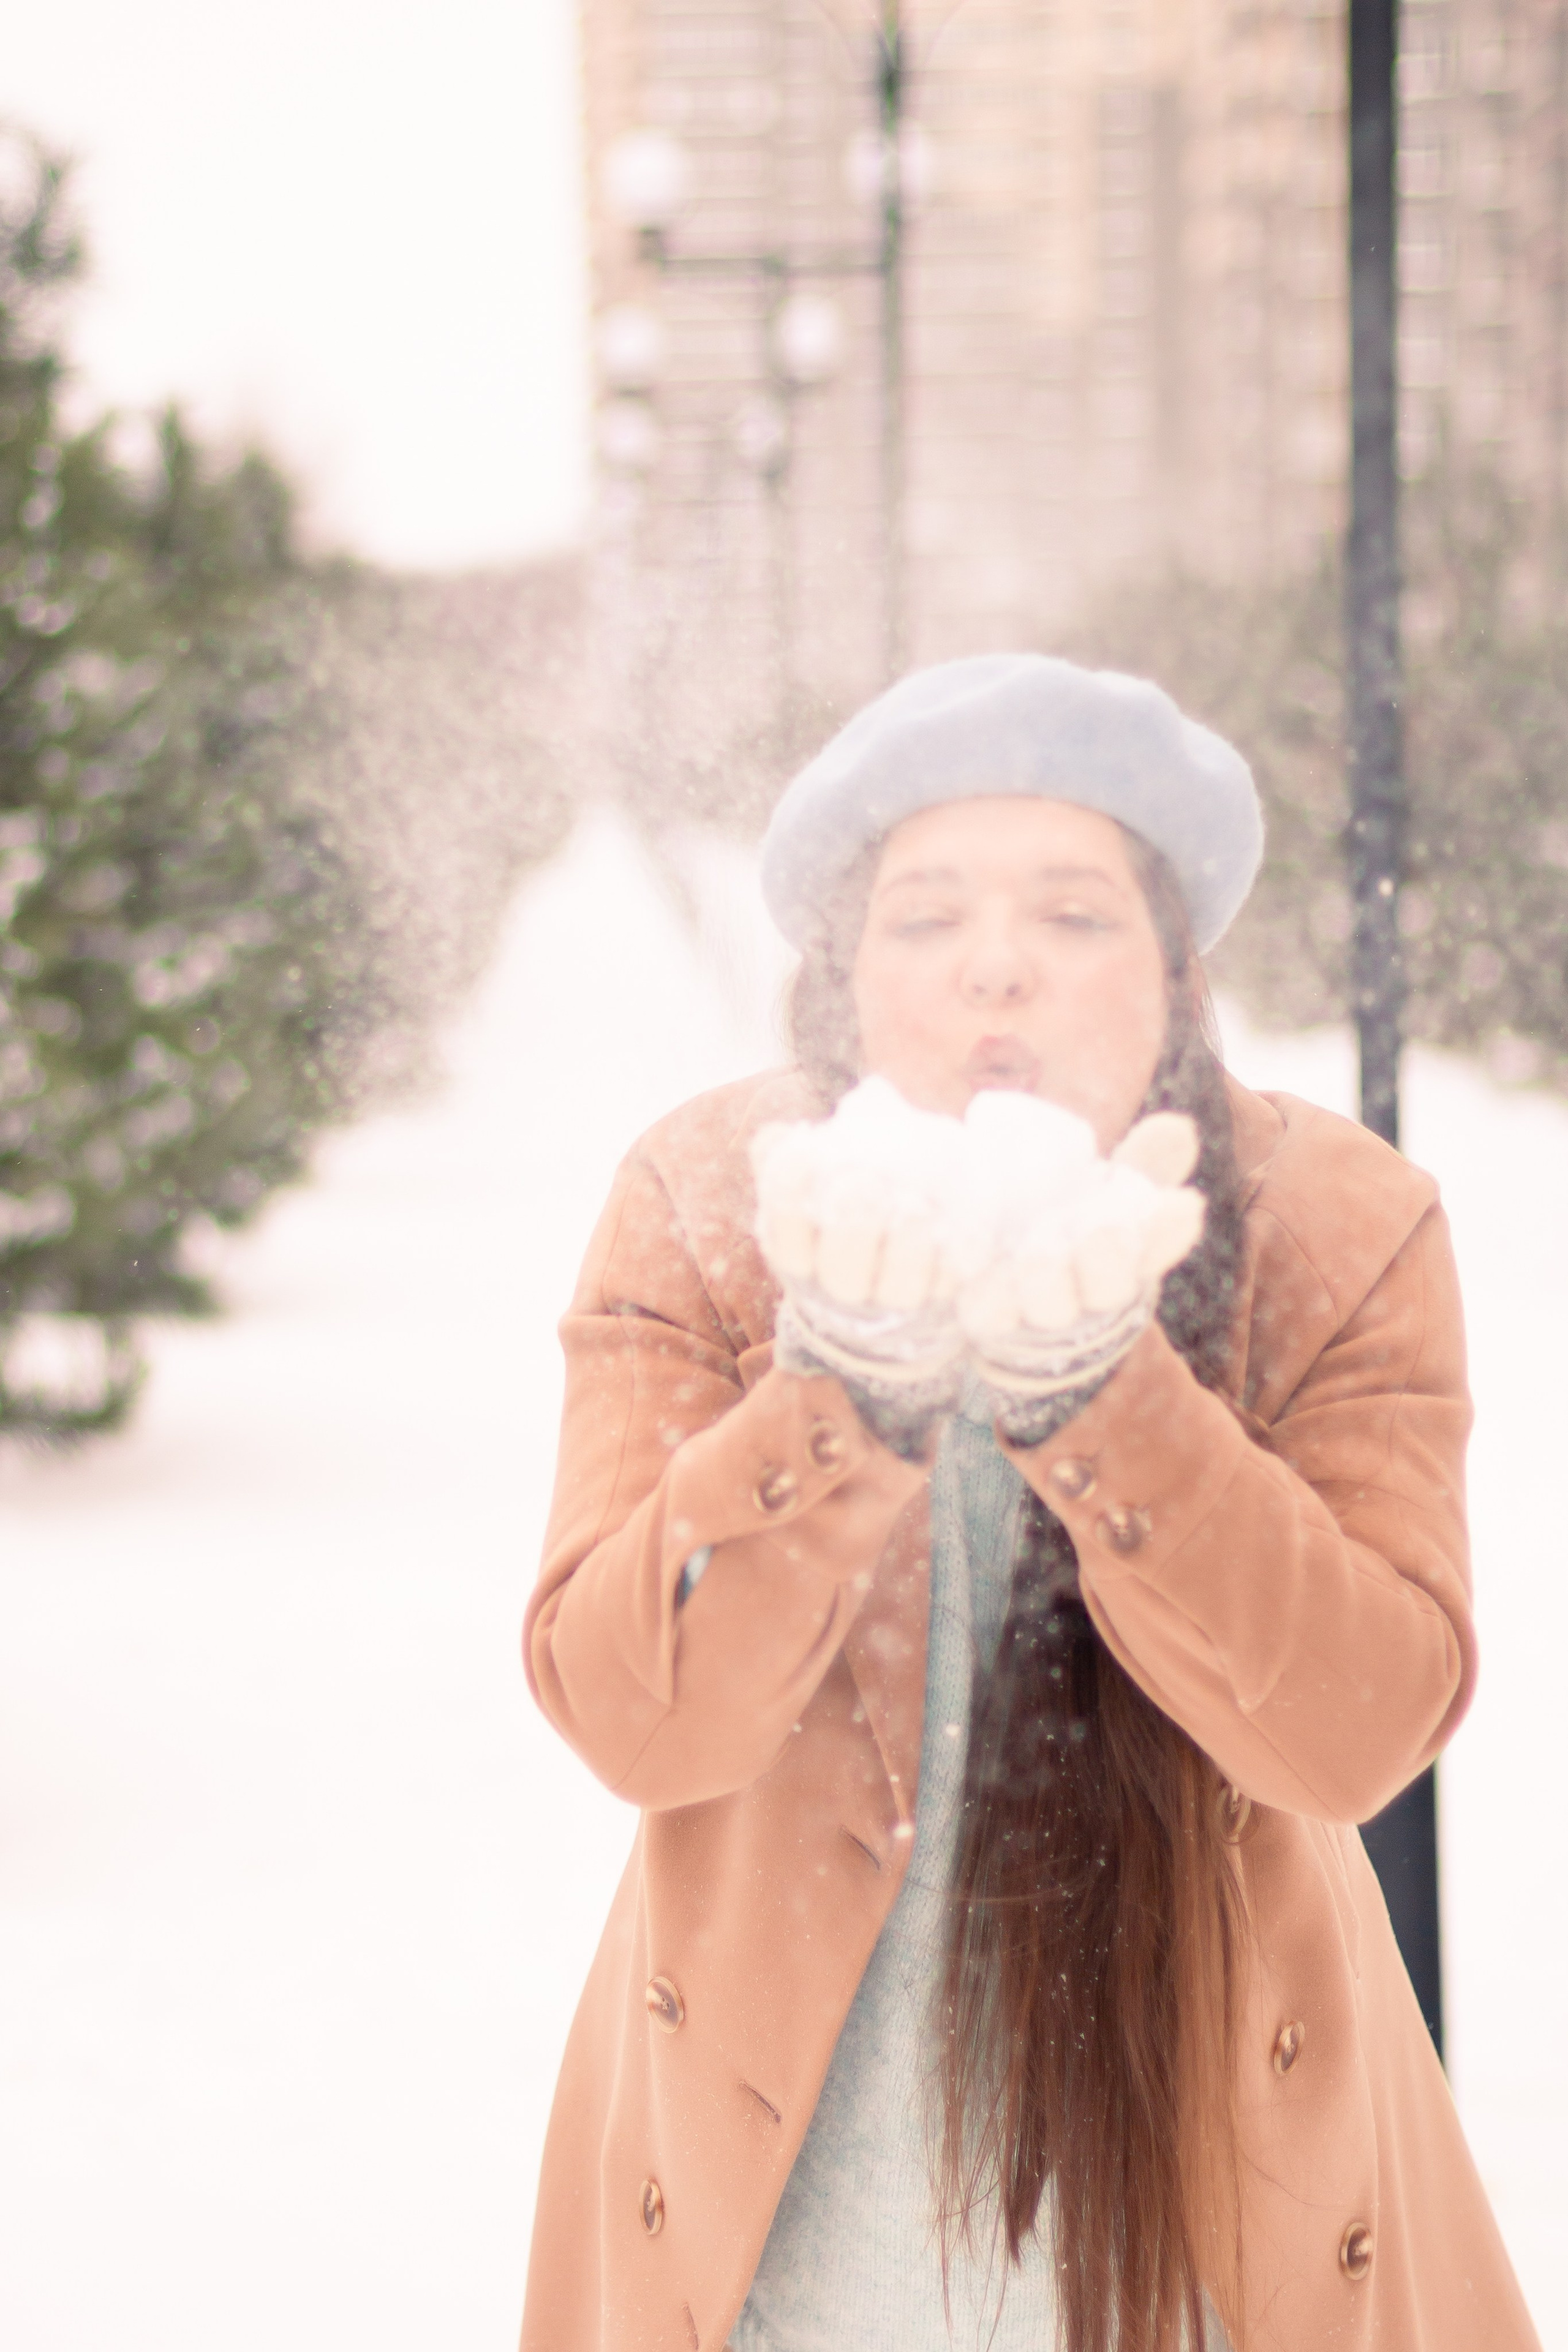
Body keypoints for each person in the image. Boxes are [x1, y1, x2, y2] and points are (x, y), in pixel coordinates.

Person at [519, 656, 1539, 2352]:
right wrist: (836, 1388)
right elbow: (639, 1716)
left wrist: (1105, 1397)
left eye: (1073, 912)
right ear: (841, 982)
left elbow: (1356, 1731)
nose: (997, 963)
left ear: (1176, 982)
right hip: (786, 2227)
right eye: (926, 916)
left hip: (1223, 2230)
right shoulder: (710, 1208)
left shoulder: (1335, 1224)